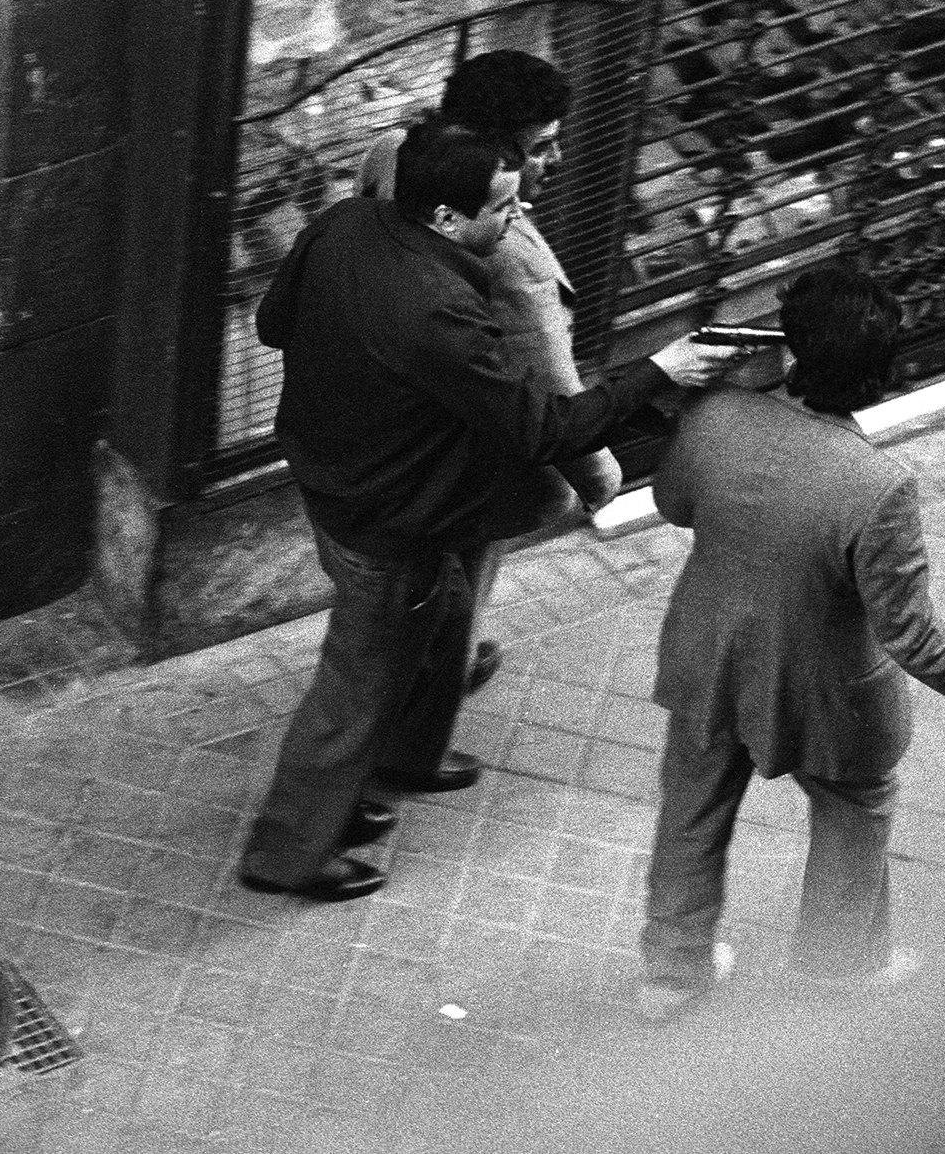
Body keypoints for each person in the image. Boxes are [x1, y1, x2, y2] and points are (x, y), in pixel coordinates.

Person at [239, 119, 747, 903]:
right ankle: (286, 852)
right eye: (503, 209)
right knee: (355, 685)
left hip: (335, 483)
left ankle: (402, 762)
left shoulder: (341, 225)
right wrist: (660, 368)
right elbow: (545, 427)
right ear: (445, 216)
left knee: (438, 618)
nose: (517, 222)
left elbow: (275, 323)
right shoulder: (438, 309)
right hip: (388, 520)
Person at [636, 265, 945, 1019]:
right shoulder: (879, 484)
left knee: (691, 810)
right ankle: (839, 961)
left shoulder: (712, 419)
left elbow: (675, 505)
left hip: (708, 661)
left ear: (792, 349)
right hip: (826, 694)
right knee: (855, 807)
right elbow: (910, 633)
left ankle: (672, 974)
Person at [358, 50, 621, 694]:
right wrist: (601, 479)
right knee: (459, 591)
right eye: (542, 148)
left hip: (389, 420)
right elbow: (553, 388)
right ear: (498, 153)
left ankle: (410, 675)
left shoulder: (395, 153)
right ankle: (421, 723)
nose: (555, 162)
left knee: (403, 586)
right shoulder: (513, 255)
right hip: (472, 458)